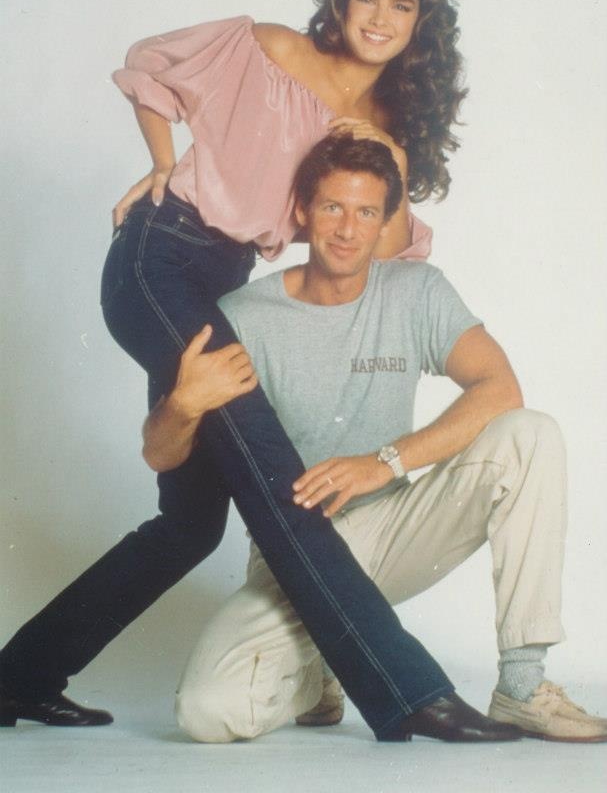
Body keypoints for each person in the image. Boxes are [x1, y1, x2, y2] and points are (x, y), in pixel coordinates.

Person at [1, 0, 508, 743]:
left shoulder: (384, 118)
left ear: (422, 21)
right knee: (275, 472)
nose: (379, 18)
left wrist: (387, 155)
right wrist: (162, 163)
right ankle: (406, 688)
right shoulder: (271, 48)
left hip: (223, 282)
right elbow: (151, 64)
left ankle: (16, 677)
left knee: (191, 524)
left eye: (401, 5)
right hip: (159, 261)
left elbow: (384, 252)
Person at [145, 135, 607, 744]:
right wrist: (184, 404)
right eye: (332, 207)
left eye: (366, 212)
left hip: (399, 527)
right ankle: (323, 665)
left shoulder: (416, 291)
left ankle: (522, 686)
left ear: (387, 221)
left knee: (530, 435)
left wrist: (385, 463)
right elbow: (159, 453)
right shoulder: (242, 316)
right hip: (297, 550)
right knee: (208, 713)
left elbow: (500, 387)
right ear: (303, 211)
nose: (347, 229)